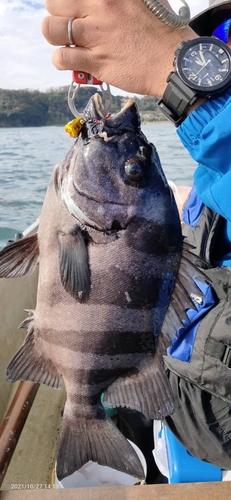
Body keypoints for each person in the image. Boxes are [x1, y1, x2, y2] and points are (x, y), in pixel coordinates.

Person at [42, 0, 231, 475]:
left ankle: (104, 420)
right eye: (214, 47)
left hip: (214, 397)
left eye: (219, 59)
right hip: (197, 350)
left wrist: (180, 68)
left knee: (128, 400)